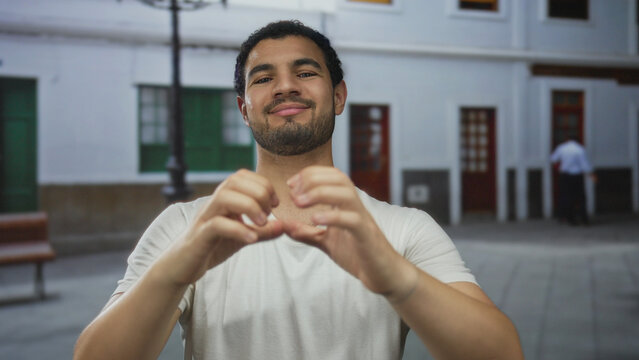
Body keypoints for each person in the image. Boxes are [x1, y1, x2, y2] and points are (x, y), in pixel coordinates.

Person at [74, 20, 523, 360]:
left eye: (305, 72)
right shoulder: (187, 227)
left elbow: (503, 353)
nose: (285, 86)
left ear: (339, 96)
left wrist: (396, 278)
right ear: (244, 110)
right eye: (263, 77)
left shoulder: (403, 229)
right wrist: (175, 271)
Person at [551, 135, 596, 225]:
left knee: (567, 196)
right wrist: (591, 175)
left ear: (567, 140)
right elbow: (584, 165)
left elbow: (553, 159)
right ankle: (584, 218)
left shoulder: (562, 148)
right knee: (580, 197)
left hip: (565, 175)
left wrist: (559, 167)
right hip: (577, 176)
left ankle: (570, 218)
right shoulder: (580, 149)